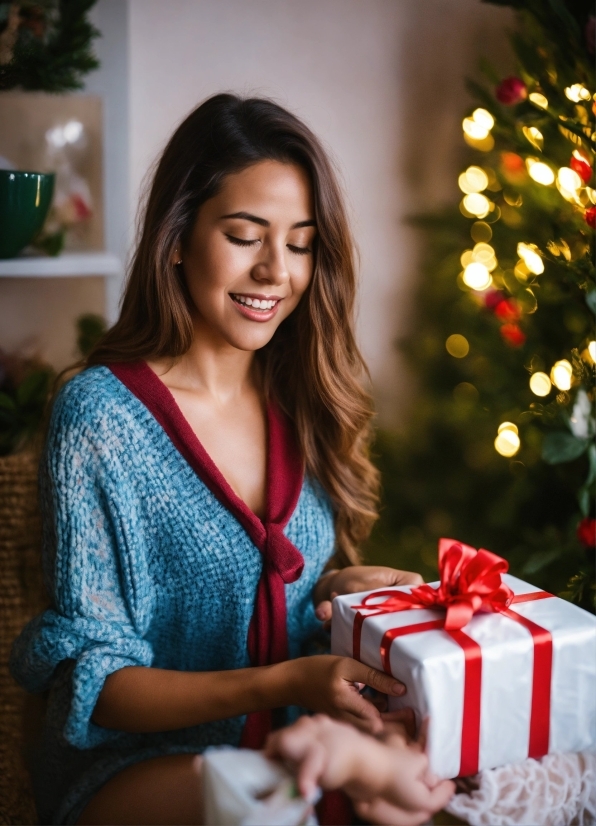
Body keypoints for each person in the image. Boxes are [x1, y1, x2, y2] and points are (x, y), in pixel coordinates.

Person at [11, 94, 426, 826]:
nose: (276, 271)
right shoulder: (100, 416)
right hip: (135, 770)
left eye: (300, 243)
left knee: (403, 795)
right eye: (245, 235)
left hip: (298, 749)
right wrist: (281, 682)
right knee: (266, 803)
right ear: (177, 237)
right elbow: (99, 686)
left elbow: (264, 604)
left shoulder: (305, 396)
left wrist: (338, 594)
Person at [266, 714, 456, 826]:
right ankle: (301, 781)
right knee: (295, 746)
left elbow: (415, 732)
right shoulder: (406, 797)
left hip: (337, 736)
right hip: (340, 762)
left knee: (303, 742)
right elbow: (364, 810)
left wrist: (446, 784)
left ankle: (303, 782)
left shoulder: (413, 763)